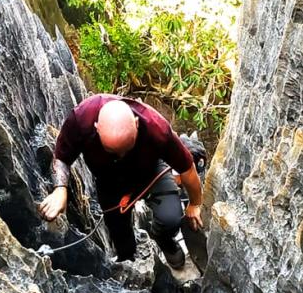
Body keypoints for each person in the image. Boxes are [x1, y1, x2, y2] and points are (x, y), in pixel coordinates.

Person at [38, 94, 203, 268]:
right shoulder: (82, 120)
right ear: (96, 128)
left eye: (126, 148)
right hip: (110, 182)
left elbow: (187, 168)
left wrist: (195, 203)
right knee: (121, 239)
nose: (121, 156)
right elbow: (62, 157)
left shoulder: (156, 127)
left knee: (171, 218)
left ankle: (163, 239)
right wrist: (60, 189)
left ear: (137, 123)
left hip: (151, 172)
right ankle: (130, 263)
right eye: (113, 150)